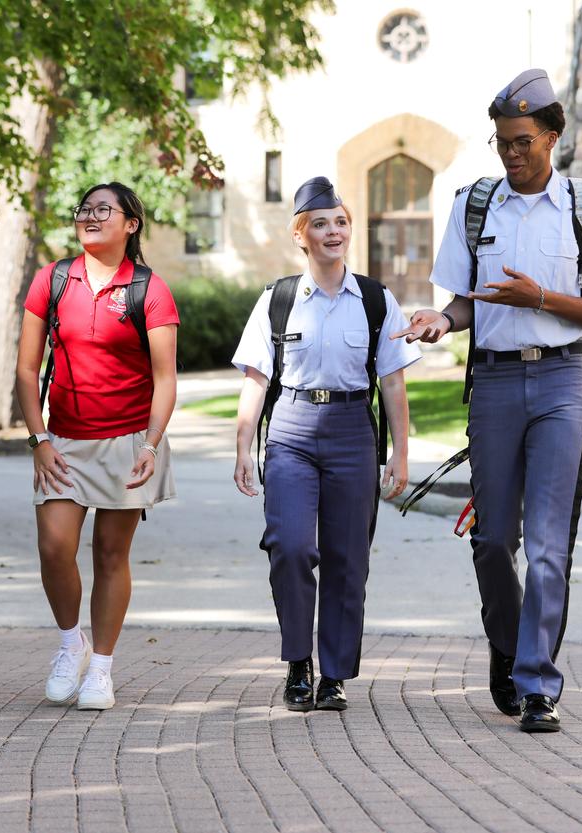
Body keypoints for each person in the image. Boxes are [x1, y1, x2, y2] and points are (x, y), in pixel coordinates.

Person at [392, 69, 582, 732]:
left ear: (553, 136)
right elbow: (462, 301)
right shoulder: (477, 205)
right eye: (503, 141)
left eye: (524, 140)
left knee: (550, 544)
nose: (512, 152)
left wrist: (542, 299)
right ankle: (508, 645)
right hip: (496, 384)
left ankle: (536, 683)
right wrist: (441, 321)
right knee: (493, 539)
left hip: (562, 382)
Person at [231, 176, 420, 711]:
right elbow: (255, 381)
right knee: (290, 546)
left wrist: (400, 452)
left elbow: (394, 383)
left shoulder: (377, 301)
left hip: (353, 430)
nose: (333, 232)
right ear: (301, 236)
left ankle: (334, 674)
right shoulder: (279, 300)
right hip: (291, 429)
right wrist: (244, 446)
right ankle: (298, 663)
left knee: (347, 557)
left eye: (340, 222)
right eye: (320, 224)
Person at [14, 181, 179, 711]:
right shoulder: (53, 279)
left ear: (131, 224)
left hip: (128, 442)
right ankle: (71, 644)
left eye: (103, 210)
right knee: (54, 546)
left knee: (111, 553)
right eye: (85, 209)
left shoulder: (149, 289)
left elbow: (165, 377)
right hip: (62, 440)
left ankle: (102, 667)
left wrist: (151, 446)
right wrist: (38, 438)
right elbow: (25, 368)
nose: (90, 216)